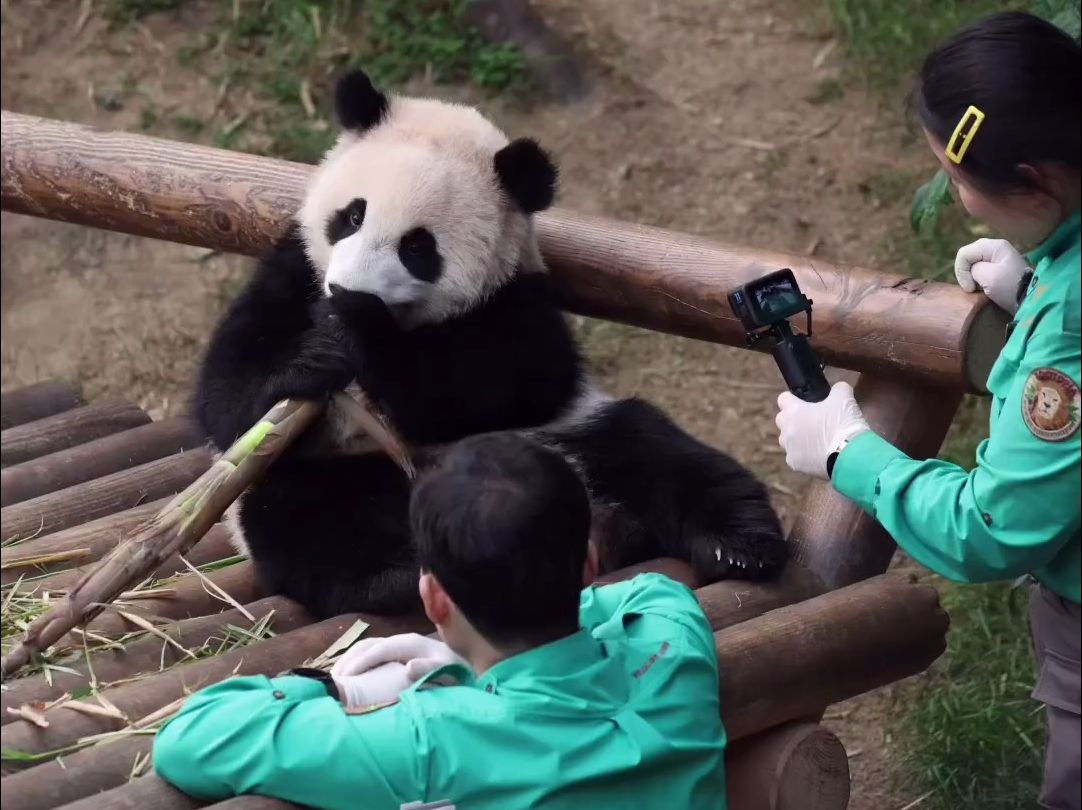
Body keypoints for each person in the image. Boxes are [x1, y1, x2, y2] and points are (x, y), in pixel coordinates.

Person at [774, 12, 1080, 810]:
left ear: (1034, 182)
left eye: (957, 177)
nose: (957, 197)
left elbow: (994, 528)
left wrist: (849, 452)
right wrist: (1041, 278)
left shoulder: (1072, 332)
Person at [153, 432, 727, 809]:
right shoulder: (674, 651)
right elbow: (651, 592)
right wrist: (475, 651)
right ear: (592, 563)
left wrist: (338, 688)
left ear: (432, 598)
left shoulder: (426, 742)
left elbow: (194, 740)